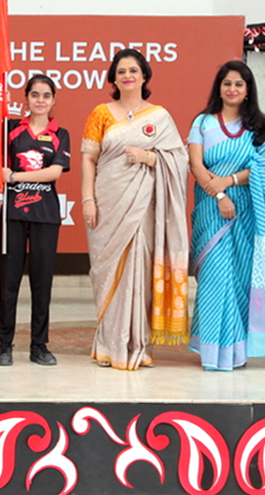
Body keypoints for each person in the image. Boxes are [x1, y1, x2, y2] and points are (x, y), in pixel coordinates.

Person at [81, 48, 189, 370]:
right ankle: (107, 345)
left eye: (133, 70)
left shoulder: (159, 116)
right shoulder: (101, 113)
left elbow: (179, 160)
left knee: (140, 271)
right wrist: (88, 199)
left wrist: (150, 158)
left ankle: (138, 345)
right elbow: (88, 159)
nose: (127, 76)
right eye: (121, 71)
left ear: (144, 76)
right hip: (107, 204)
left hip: (143, 207)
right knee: (107, 272)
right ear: (113, 78)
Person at [188, 61, 265, 371]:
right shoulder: (203, 122)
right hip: (211, 210)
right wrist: (219, 194)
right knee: (215, 277)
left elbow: (264, 170)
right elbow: (195, 164)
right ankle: (213, 352)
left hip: (248, 211)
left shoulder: (259, 127)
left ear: (248, 92)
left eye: (239, 84)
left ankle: (236, 352)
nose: (232, 89)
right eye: (227, 83)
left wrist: (230, 182)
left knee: (239, 279)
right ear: (218, 88)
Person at [0, 74, 70, 367]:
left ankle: (39, 345)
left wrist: (15, 176)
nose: (40, 100)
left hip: (45, 216)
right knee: (8, 282)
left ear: (53, 100)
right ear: (26, 97)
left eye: (46, 95)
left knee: (42, 283)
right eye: (35, 94)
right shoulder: (10, 128)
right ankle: (5, 344)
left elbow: (54, 172)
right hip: (13, 214)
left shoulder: (59, 133)